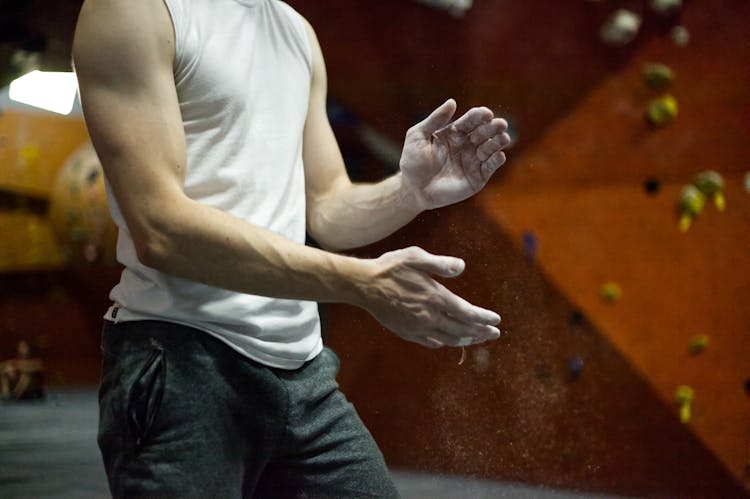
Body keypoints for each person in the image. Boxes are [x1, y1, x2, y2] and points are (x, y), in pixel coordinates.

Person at [72, 0, 510, 497]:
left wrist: (408, 192)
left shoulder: (295, 31)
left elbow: (327, 208)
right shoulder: (135, 10)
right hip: (179, 361)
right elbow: (160, 228)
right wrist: (363, 283)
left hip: (303, 373)